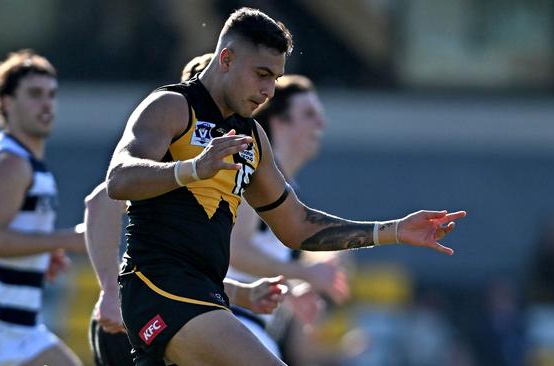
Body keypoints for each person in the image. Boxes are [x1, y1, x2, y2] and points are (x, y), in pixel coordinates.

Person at [104, 7, 466, 365]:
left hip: (206, 295)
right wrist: (191, 170)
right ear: (226, 59)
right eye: (261, 74)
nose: (268, 90)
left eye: (275, 78)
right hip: (159, 289)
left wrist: (394, 230)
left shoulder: (252, 137)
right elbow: (118, 179)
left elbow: (298, 226)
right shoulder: (172, 106)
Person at [87, 52, 287, 366]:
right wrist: (110, 290)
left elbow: (185, 269)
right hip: (132, 316)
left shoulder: (224, 169)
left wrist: (243, 295)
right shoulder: (173, 149)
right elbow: (101, 201)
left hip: (175, 305)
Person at [0, 50, 86, 366]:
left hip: (20, 329)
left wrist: (37, 252)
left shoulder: (20, 158)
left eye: (52, 94)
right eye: (35, 94)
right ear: (7, 103)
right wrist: (64, 240)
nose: (47, 104)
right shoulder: (9, 162)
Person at [226, 74, 352, 362]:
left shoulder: (282, 183)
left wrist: (292, 290)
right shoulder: (258, 173)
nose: (321, 124)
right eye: (309, 114)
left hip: (240, 325)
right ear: (279, 121)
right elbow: (234, 251)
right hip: (230, 322)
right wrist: (306, 274)